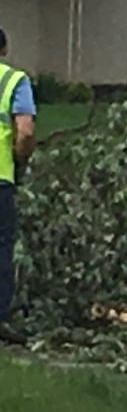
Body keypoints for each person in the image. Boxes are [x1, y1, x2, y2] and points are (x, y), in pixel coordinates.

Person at [0, 27, 36, 346]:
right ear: (5, 49)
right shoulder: (14, 80)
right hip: (0, 179)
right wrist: (20, 158)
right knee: (1, 248)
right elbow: (24, 132)